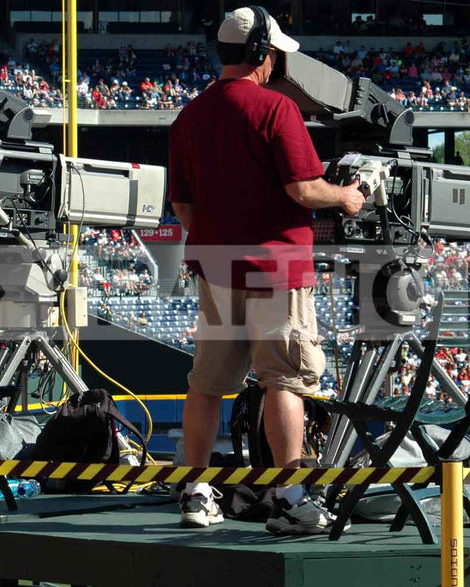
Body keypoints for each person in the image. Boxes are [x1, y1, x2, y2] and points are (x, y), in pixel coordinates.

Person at [168, 7, 365, 535]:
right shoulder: (276, 109)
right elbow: (303, 189)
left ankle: (195, 491)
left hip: (214, 265)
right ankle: (288, 498)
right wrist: (346, 196)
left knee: (207, 383)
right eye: (275, 51)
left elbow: (184, 208)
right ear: (262, 53)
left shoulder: (190, 115)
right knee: (284, 379)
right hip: (274, 266)